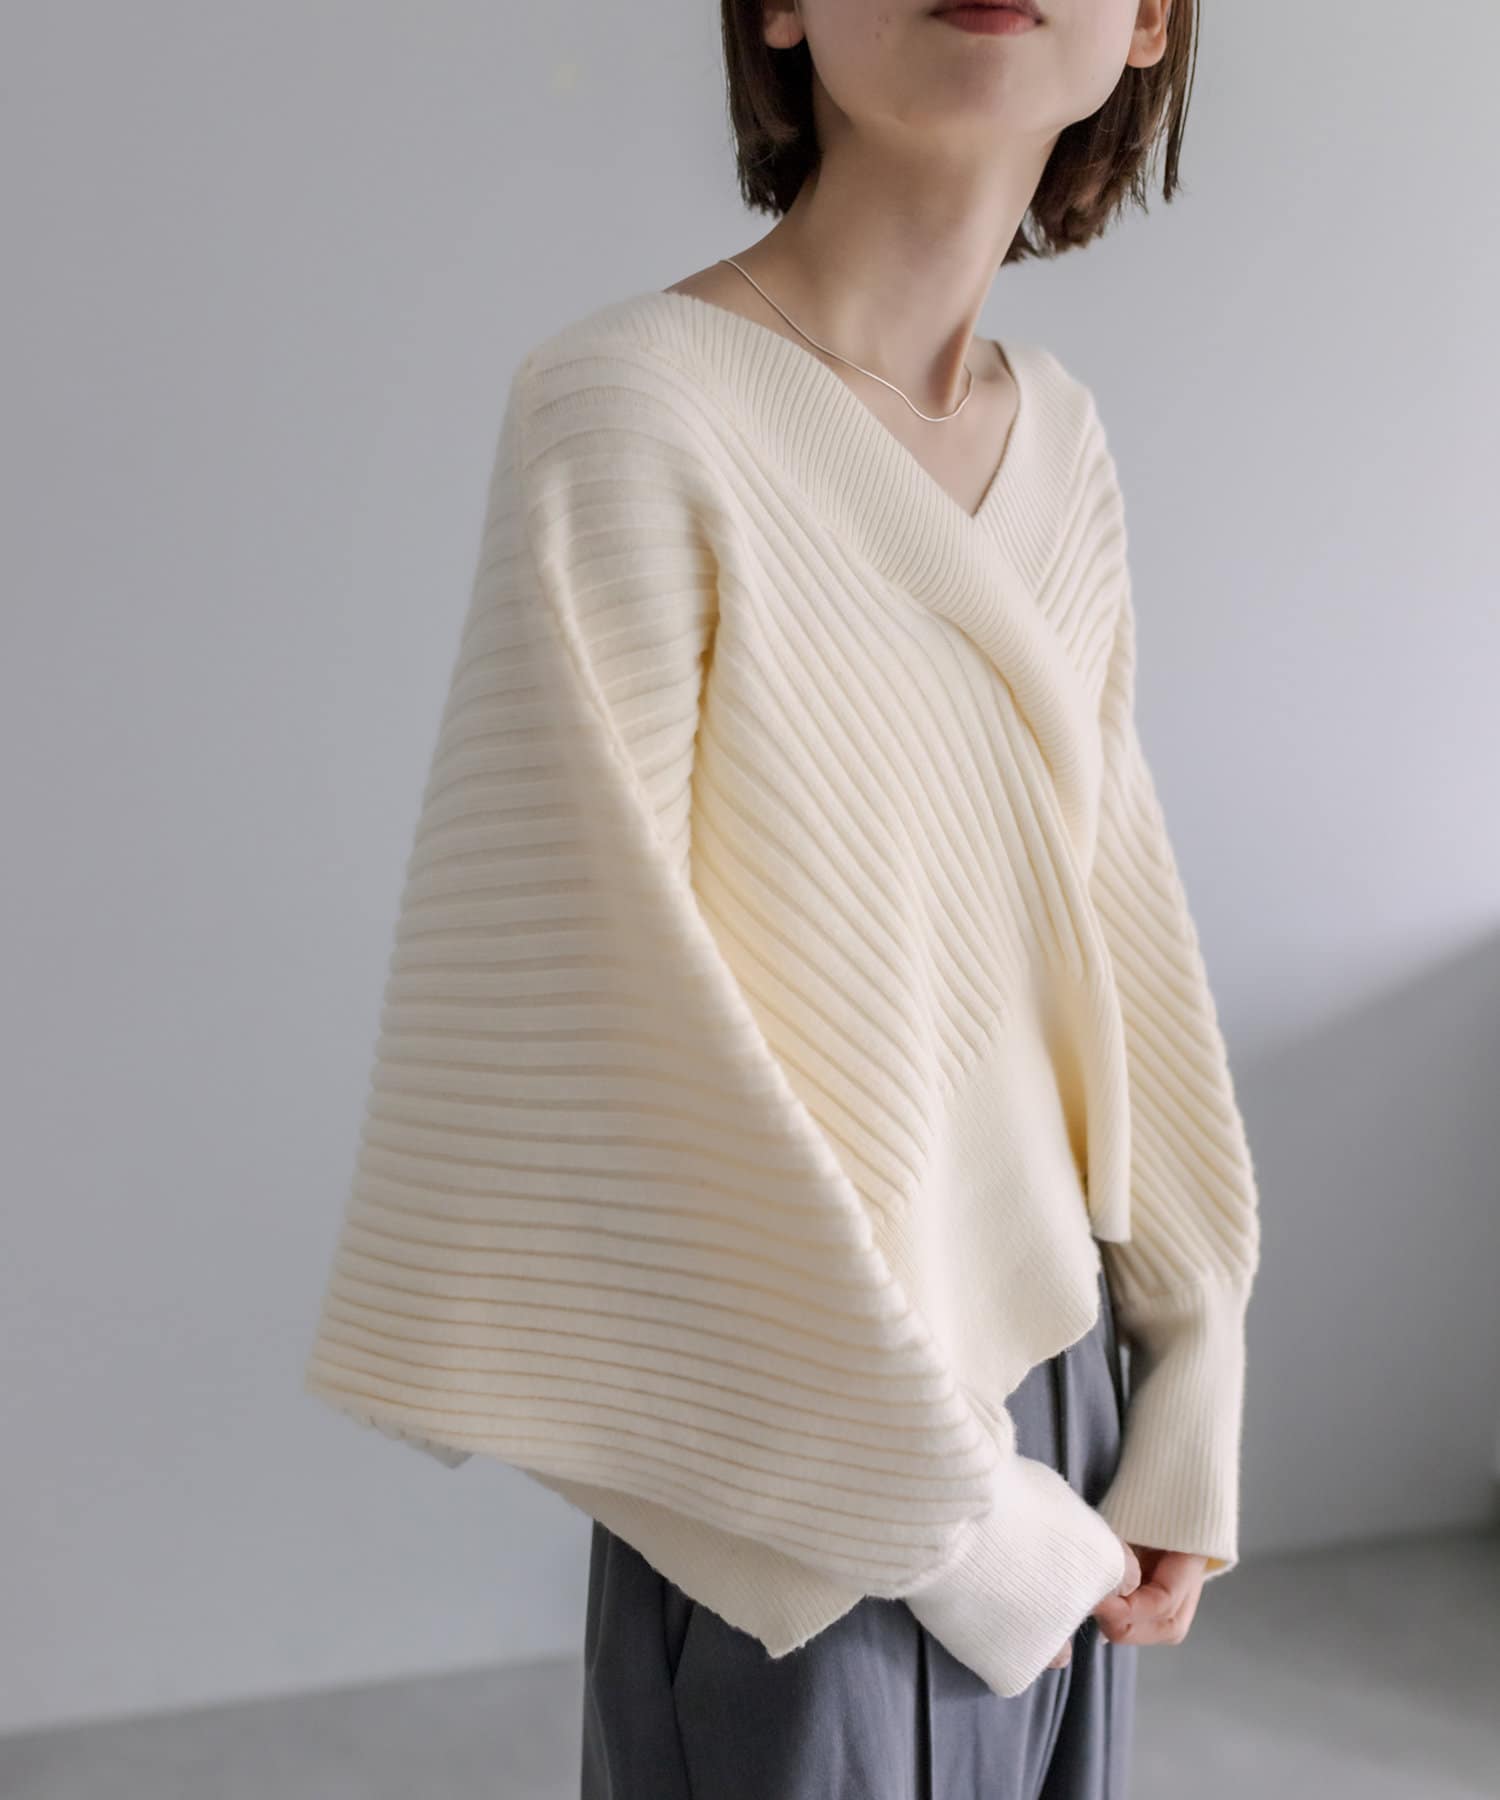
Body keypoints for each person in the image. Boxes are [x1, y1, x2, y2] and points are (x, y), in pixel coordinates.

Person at [302, 1, 1262, 1794]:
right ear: (777, 5)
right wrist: (955, 1521)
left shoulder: (1061, 442)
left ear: (1149, 20)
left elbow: (1118, 914)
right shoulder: (632, 408)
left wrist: (1191, 1360)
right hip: (794, 1454)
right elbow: (578, 1030)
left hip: (1059, 1396)